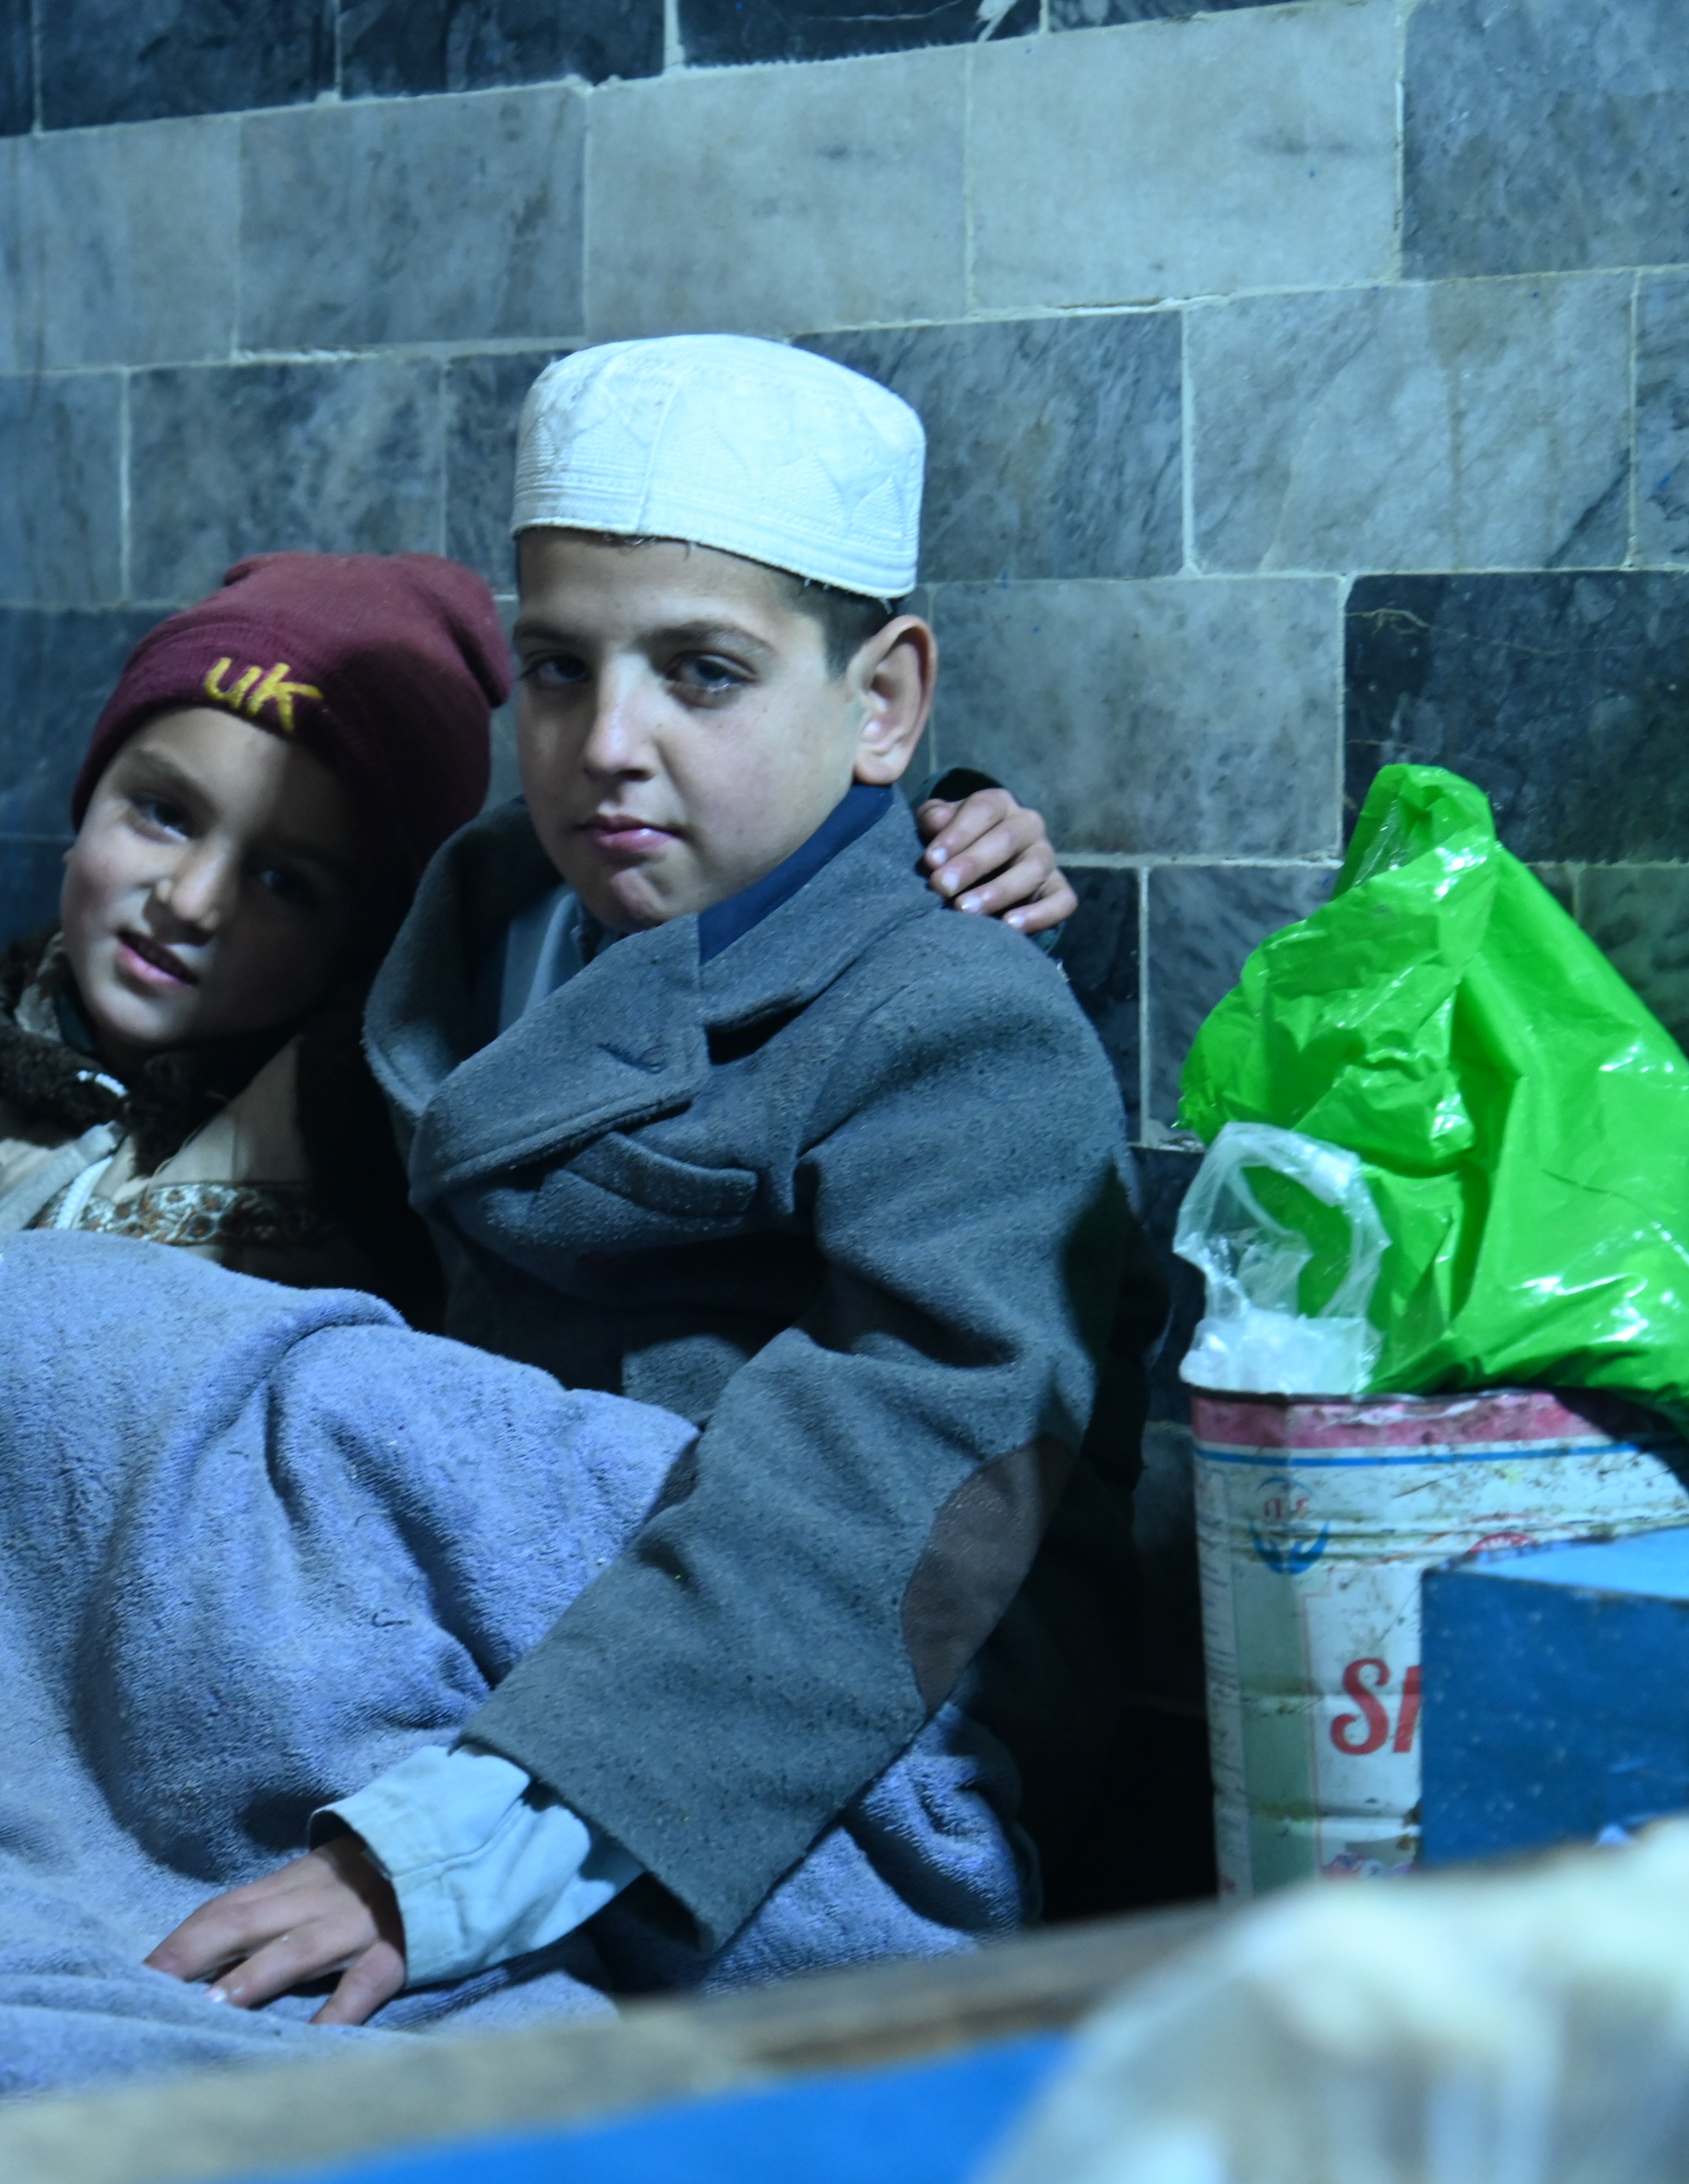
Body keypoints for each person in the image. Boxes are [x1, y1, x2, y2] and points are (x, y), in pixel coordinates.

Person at [143, 334, 1161, 2021]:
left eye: (700, 674)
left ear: (885, 701)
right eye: (557, 669)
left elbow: (879, 1489)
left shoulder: (958, 1020)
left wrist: (453, 1855)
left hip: (747, 1726)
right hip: (477, 1661)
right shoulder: (483, 924)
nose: (607, 743)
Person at [0, 552, 1081, 1318]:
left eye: (286, 879)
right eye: (162, 814)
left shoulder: (399, 1097)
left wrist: (940, 836)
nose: (191, 901)